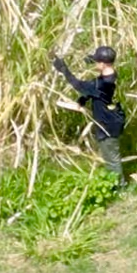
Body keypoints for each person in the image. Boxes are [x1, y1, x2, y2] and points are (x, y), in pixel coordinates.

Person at [52, 47, 127, 182]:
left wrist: (64, 70)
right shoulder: (111, 76)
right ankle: (114, 182)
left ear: (103, 64)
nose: (95, 64)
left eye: (96, 61)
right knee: (110, 154)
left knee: (112, 159)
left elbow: (79, 85)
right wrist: (85, 98)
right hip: (113, 120)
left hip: (107, 126)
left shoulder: (102, 83)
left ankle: (120, 187)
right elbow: (97, 93)